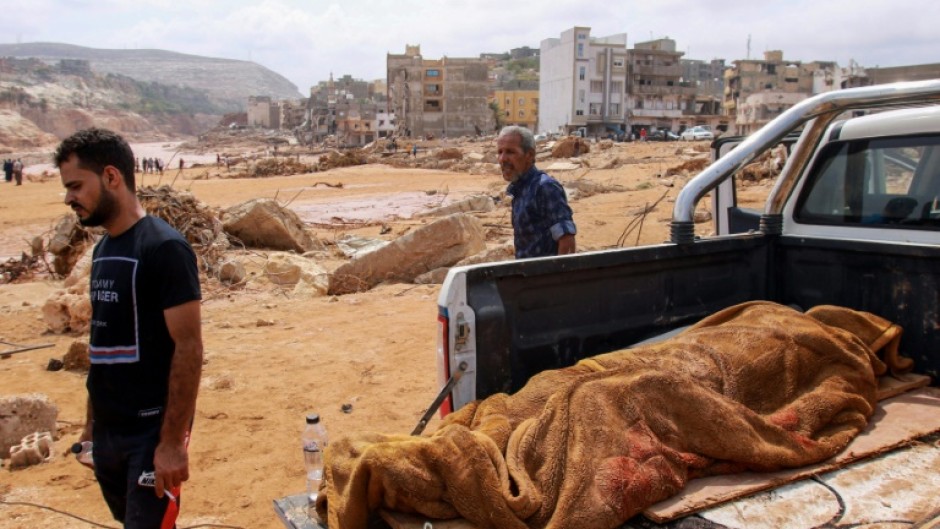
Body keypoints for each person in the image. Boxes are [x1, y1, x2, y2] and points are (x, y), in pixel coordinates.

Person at [54, 128, 203, 529]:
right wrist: (90, 426)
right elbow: (101, 344)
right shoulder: (102, 250)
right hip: (109, 434)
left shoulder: (164, 248)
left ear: (111, 177)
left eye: (75, 186)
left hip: (150, 433)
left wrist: (171, 443)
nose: (68, 198)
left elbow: (188, 348)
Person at [496, 125, 577, 258]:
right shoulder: (519, 189)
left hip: (544, 277)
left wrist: (560, 277)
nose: (502, 159)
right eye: (500, 152)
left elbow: (567, 241)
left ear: (530, 155)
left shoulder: (545, 188)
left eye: (510, 152)